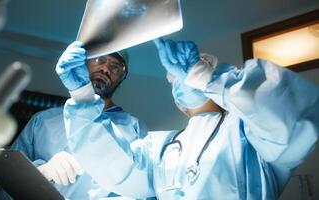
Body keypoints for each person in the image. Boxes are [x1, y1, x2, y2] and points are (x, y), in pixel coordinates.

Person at [62, 38, 319, 199]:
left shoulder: (249, 132)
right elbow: (116, 170)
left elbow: (292, 116)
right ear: (177, 99)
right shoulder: (159, 148)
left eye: (191, 73)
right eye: (176, 78)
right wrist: (82, 97)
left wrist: (209, 76)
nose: (183, 81)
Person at [0, 41, 148, 200]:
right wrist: (42, 172)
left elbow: (143, 188)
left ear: (122, 78)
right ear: (83, 63)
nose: (106, 69)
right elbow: (7, 188)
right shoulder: (43, 121)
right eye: (99, 60)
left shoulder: (134, 128)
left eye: (116, 66)